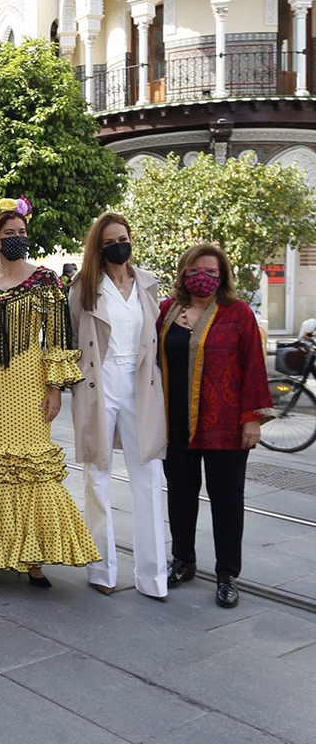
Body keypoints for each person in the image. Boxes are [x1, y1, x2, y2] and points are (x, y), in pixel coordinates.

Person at [0, 197, 99, 588]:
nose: (17, 238)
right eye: (9, 233)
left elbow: (58, 339)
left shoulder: (46, 281)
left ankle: (34, 558)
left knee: (32, 463)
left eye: (22, 232)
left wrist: (55, 387)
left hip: (27, 381)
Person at [156, 243, 273, 609]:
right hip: (175, 424)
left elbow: (254, 364)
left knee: (226, 500)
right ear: (182, 274)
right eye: (193, 271)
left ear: (221, 276)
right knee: (179, 494)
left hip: (224, 424)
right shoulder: (166, 311)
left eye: (209, 271)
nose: (201, 278)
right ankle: (183, 561)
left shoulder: (237, 313)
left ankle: (227, 574)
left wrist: (252, 418)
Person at [70, 213, 169, 600]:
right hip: (99, 381)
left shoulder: (148, 284)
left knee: (149, 476)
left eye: (123, 238)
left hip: (140, 383)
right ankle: (102, 569)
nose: (118, 246)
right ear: (99, 246)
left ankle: (153, 576)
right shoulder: (84, 287)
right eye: (110, 241)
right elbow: (75, 337)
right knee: (98, 474)